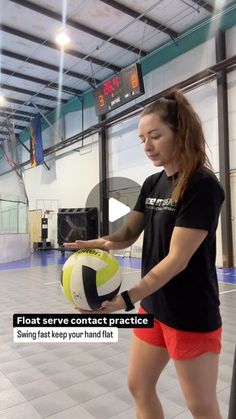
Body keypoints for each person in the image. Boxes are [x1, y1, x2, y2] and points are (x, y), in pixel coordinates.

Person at [64, 90, 225, 419]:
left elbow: (177, 260)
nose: (147, 146)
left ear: (180, 133)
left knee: (201, 406)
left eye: (155, 136)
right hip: (155, 307)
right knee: (138, 385)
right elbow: (128, 234)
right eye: (142, 139)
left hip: (190, 313)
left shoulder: (202, 185)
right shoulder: (153, 183)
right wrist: (98, 243)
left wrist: (125, 300)